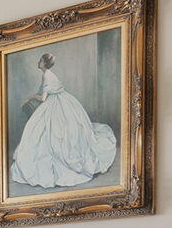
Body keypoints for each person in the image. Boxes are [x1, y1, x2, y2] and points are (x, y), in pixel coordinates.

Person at [11, 52, 116, 189]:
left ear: (44, 63)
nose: (38, 62)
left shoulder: (46, 75)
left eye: (40, 60)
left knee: (51, 133)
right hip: (60, 101)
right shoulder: (49, 74)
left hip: (56, 104)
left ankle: (58, 163)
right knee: (48, 132)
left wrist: (30, 97)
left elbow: (43, 98)